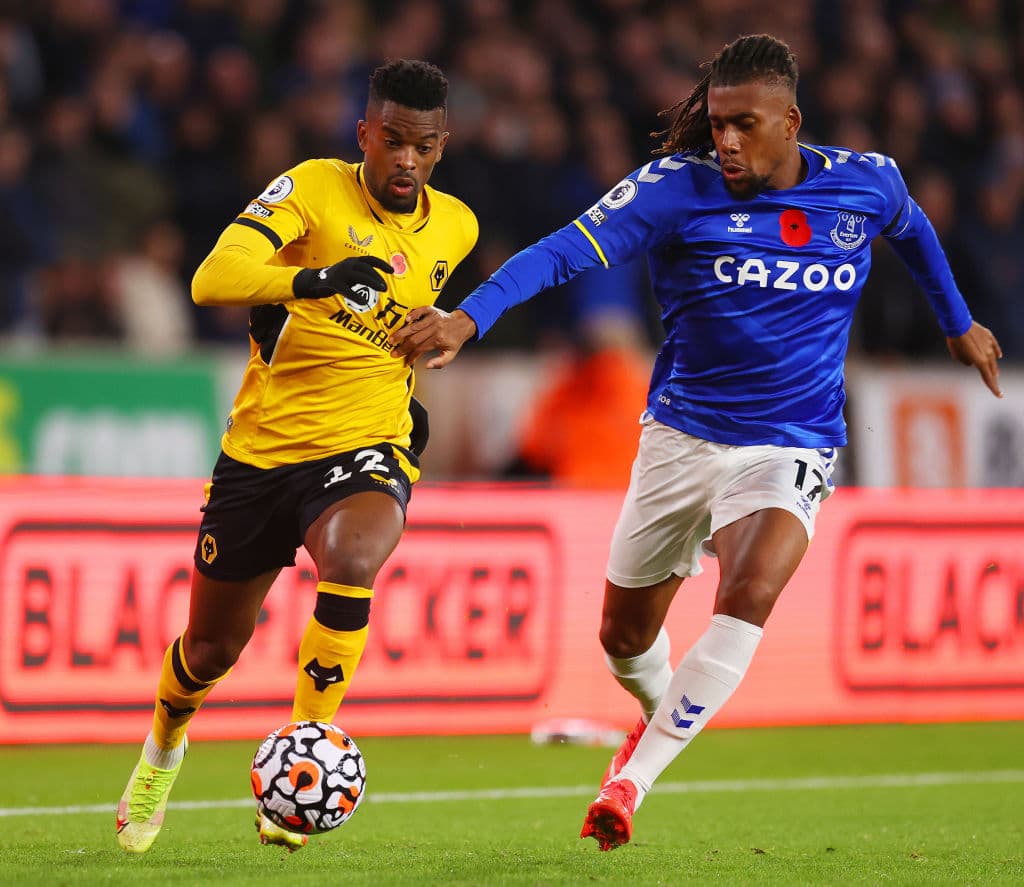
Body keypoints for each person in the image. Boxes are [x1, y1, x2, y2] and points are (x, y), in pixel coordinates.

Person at [388, 34, 1002, 851]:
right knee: (623, 639)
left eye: (746, 124)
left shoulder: (865, 183)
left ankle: (629, 781)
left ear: (793, 122)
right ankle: (660, 712)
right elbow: (565, 250)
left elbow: (916, 228)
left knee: (748, 591)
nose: (727, 142)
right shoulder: (676, 190)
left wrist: (958, 324)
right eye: (717, 123)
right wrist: (473, 315)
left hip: (794, 440)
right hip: (681, 437)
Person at [115, 59, 478, 855]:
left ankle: (301, 761)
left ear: (442, 146)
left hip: (366, 444)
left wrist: (434, 334)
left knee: (353, 554)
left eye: (422, 145)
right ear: (365, 135)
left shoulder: (458, 226)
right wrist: (312, 279)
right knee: (209, 651)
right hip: (261, 454)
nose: (406, 160)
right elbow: (212, 279)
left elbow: (425, 321)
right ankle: (161, 750)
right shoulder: (313, 188)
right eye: (392, 141)